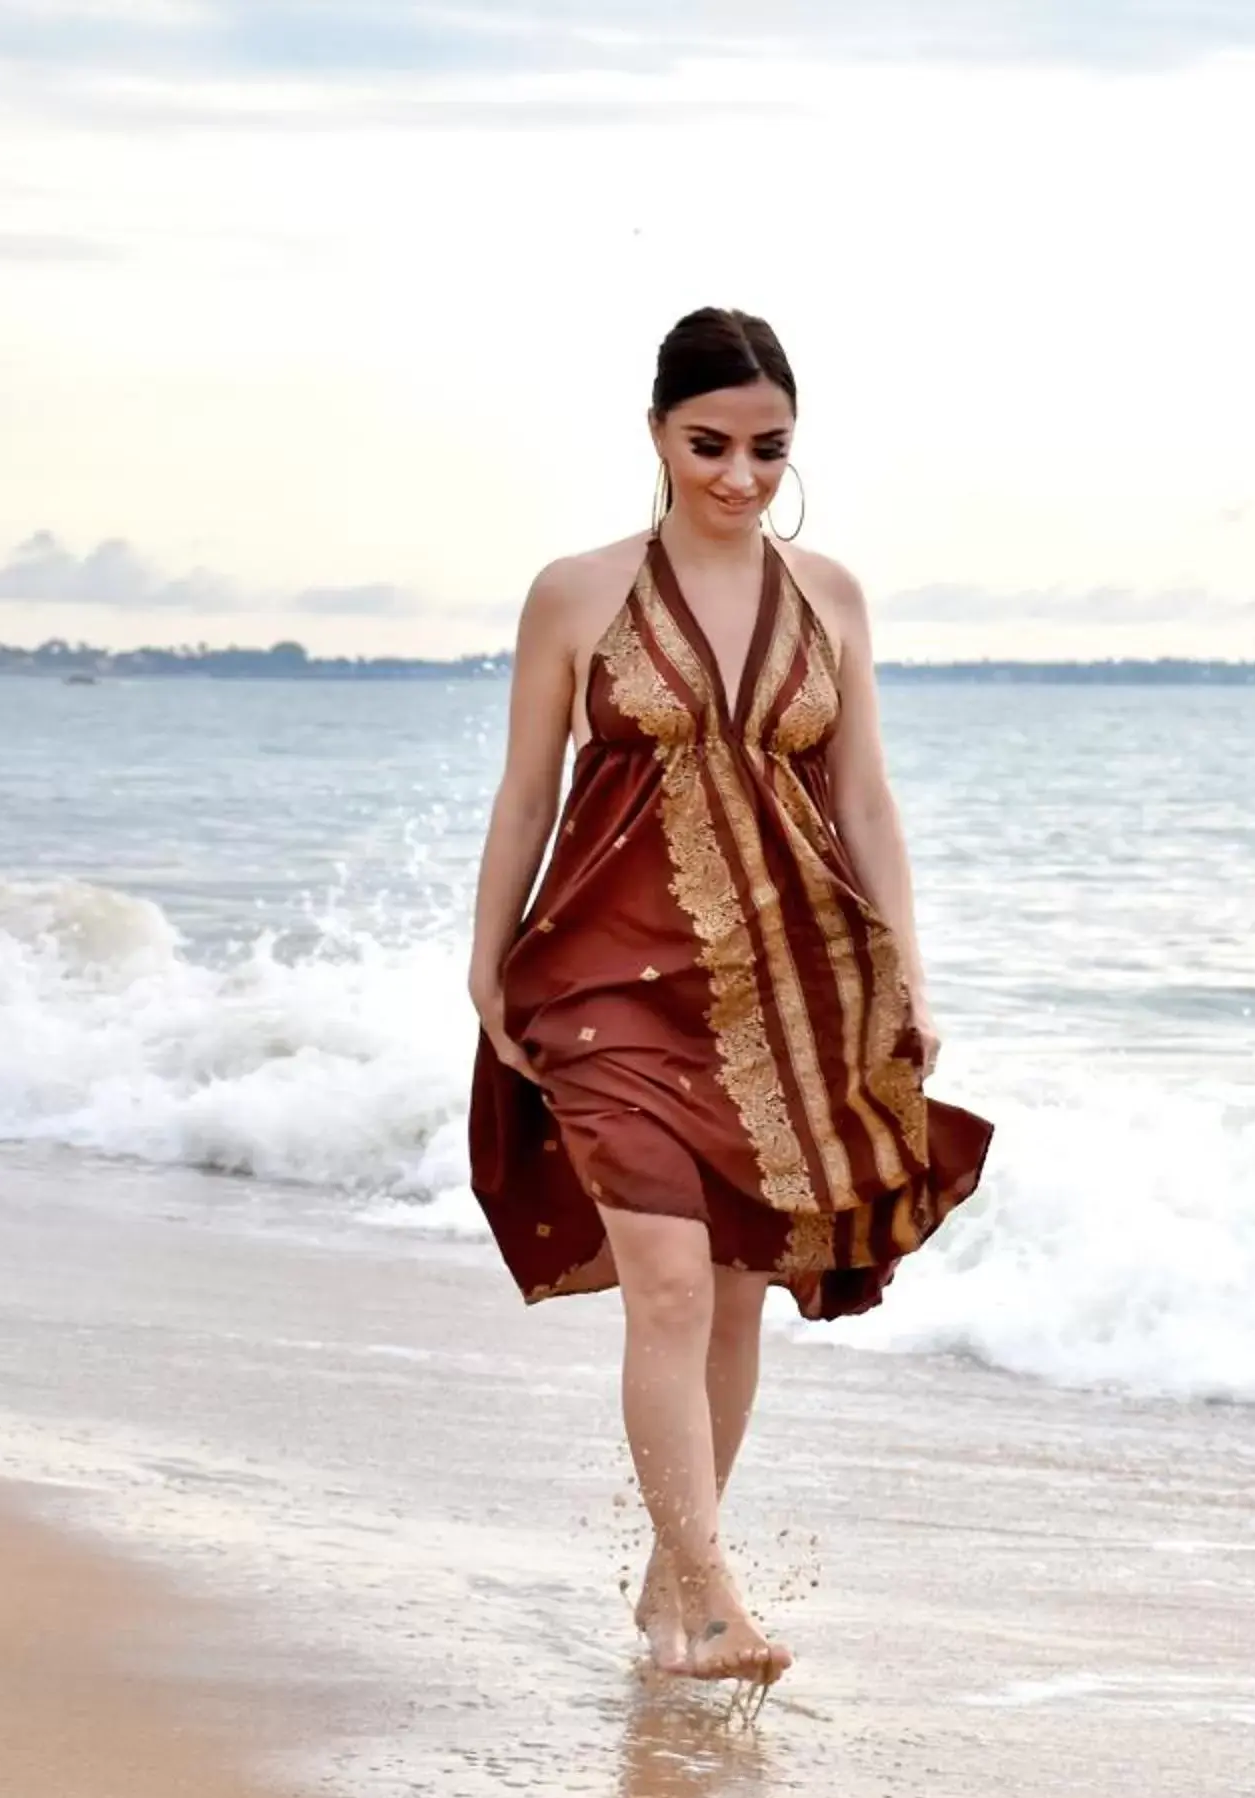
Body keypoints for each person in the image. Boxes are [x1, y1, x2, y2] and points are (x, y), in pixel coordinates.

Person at [465, 307, 992, 1693]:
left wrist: (910, 976)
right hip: (597, 974)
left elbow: (865, 796)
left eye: (769, 449)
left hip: (781, 989)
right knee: (671, 1287)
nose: (741, 476)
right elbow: (529, 789)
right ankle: (706, 1601)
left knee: (744, 1290)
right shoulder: (576, 594)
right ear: (656, 434)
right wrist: (485, 956)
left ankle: (667, 1583)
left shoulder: (833, 597)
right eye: (711, 445)